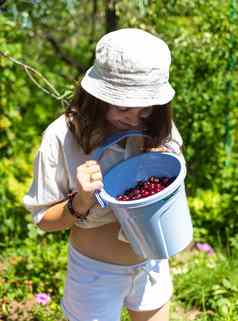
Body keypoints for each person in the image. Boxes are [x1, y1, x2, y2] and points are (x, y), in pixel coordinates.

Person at [23, 28, 184, 321]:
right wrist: (81, 201)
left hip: (152, 265)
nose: (134, 118)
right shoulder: (62, 137)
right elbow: (43, 220)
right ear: (96, 95)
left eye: (145, 108)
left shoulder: (159, 128)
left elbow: (172, 191)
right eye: (122, 106)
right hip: (95, 275)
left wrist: (166, 167)